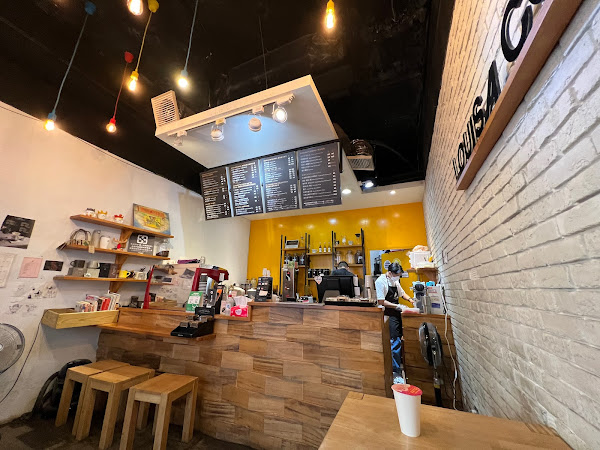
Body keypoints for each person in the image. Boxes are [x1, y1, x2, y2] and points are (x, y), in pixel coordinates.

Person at [375, 262, 416, 381]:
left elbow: (402, 293)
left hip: (396, 313)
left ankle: (398, 367)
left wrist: (411, 300)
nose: (398, 277)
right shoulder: (380, 281)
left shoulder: (395, 281)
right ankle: (395, 371)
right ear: (390, 273)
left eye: (399, 275)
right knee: (394, 341)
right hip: (388, 314)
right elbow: (381, 301)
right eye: (397, 275)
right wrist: (397, 306)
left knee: (398, 339)